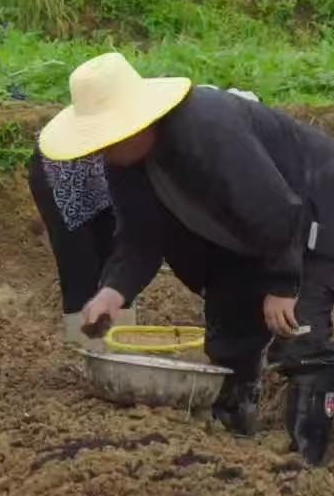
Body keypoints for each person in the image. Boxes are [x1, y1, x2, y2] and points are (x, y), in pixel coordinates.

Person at [40, 56, 334, 466]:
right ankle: (236, 434)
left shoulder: (208, 129)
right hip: (245, 229)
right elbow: (140, 237)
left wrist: (282, 284)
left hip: (321, 199)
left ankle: (306, 461)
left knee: (300, 330)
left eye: (109, 139)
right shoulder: (125, 162)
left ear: (138, 122)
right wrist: (113, 292)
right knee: (230, 332)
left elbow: (275, 208)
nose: (104, 151)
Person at [27, 85, 261, 336]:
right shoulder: (194, 126)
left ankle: (116, 342)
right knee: (81, 263)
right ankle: (85, 343)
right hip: (61, 168)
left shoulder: (210, 124)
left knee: (115, 258)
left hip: (107, 168)